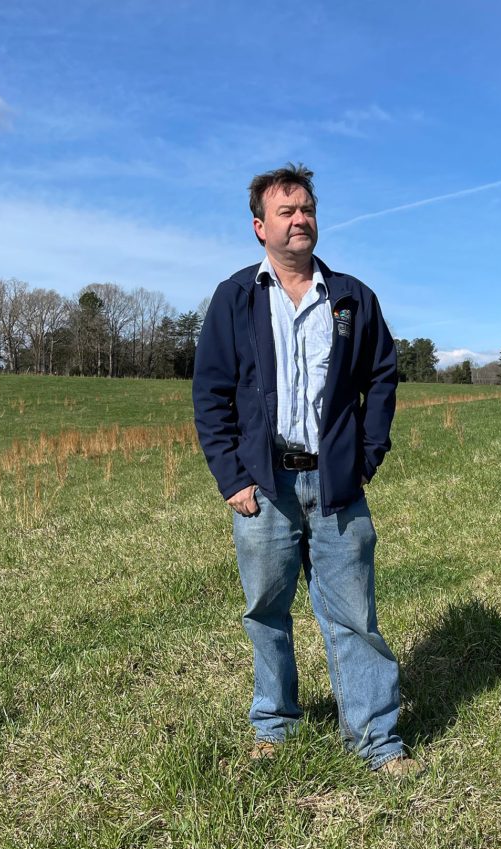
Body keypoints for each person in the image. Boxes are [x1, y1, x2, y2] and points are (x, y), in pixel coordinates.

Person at [193, 163, 420, 776]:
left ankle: (376, 740)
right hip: (264, 486)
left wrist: (367, 455)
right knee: (266, 609)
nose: (300, 221)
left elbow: (382, 377)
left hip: (337, 483)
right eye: (286, 212)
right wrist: (232, 477)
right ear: (259, 227)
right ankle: (275, 723)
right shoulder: (236, 298)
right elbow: (211, 393)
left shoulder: (350, 298)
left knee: (354, 614)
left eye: (307, 210)